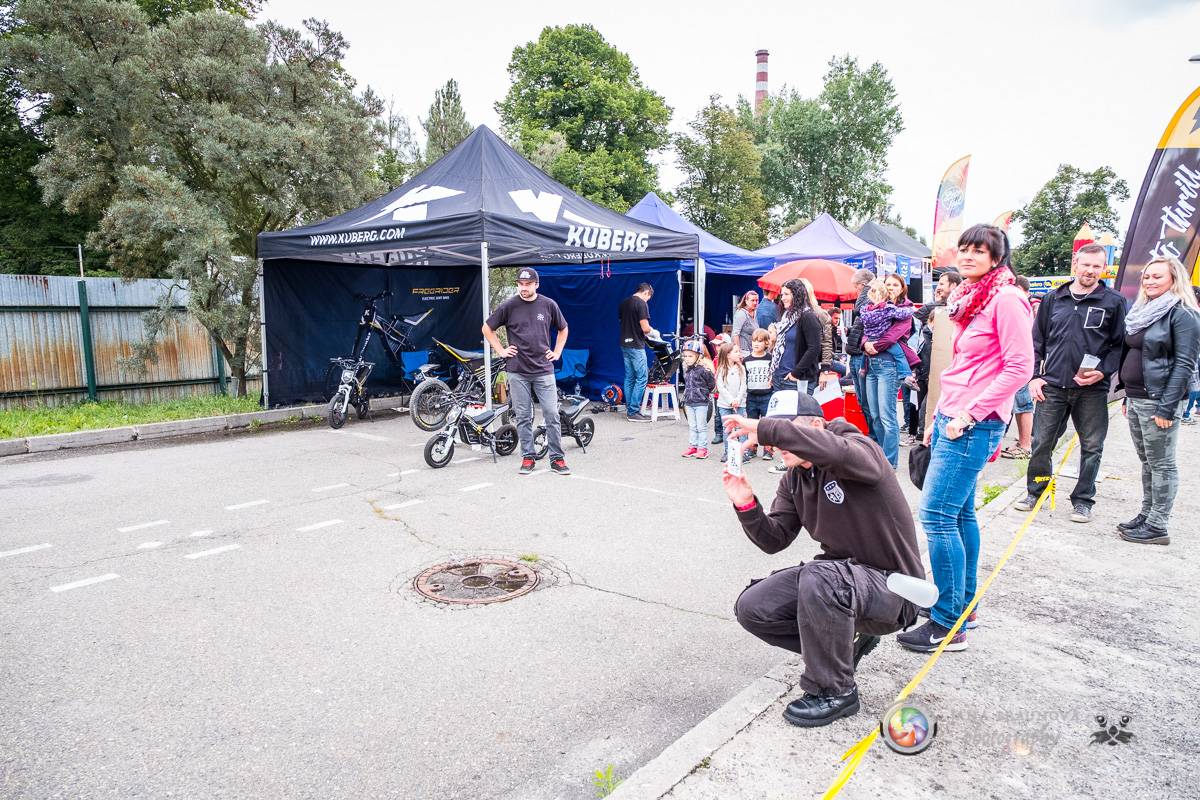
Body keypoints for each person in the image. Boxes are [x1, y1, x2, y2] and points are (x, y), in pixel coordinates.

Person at [722, 391, 923, 726]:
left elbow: (835, 450)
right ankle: (840, 650)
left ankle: (835, 690)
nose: (777, 443)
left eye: (787, 430)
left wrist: (766, 427)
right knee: (753, 607)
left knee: (821, 575)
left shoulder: (858, 450)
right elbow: (775, 539)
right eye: (773, 433)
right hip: (844, 584)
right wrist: (746, 504)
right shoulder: (794, 479)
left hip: (896, 590)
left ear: (817, 425)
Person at [897, 224, 1033, 653]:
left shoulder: (1007, 299)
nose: (970, 256)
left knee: (936, 515)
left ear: (997, 256)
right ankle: (960, 604)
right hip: (954, 415)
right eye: (965, 249)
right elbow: (963, 366)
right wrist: (938, 413)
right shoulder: (972, 298)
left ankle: (948, 622)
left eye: (980, 250)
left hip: (974, 421)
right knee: (959, 515)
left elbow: (1018, 369)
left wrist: (968, 415)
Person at [1015, 244, 1127, 521]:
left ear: (1103, 268)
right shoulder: (1054, 298)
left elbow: (1120, 346)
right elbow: (1036, 342)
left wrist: (1103, 371)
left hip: (1092, 390)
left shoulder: (1113, 301)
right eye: (1085, 264)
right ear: (1075, 263)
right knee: (1041, 443)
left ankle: (1083, 499)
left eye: (1096, 266)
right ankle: (1036, 489)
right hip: (1051, 386)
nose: (1090, 271)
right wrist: (1034, 378)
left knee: (1092, 445)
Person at [1114, 256, 1200, 545]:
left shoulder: (1183, 314)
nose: (1149, 281)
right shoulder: (1145, 311)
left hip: (1159, 401)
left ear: (1174, 279)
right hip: (1138, 397)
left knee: (1162, 463)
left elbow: (1185, 364)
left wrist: (1167, 406)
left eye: (1157, 277)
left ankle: (1158, 525)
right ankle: (1147, 514)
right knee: (1147, 461)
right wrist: (1127, 392)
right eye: (1146, 277)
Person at [482, 267, 571, 476]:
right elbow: (487, 328)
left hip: (543, 370)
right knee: (523, 416)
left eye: (528, 284)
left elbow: (563, 328)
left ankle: (557, 459)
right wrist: (501, 350)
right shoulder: (509, 305)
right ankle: (528, 457)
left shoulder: (548, 305)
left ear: (536, 285)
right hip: (517, 370)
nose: (524, 288)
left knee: (551, 414)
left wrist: (557, 352)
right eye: (521, 284)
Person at [861, 273, 918, 469]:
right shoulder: (873, 307)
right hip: (871, 365)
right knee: (875, 414)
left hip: (889, 365)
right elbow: (864, 330)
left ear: (902, 289)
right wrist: (865, 343)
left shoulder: (903, 311)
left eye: (895, 284)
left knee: (887, 415)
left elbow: (893, 336)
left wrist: (873, 345)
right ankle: (880, 456)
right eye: (888, 284)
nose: (891, 287)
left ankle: (889, 462)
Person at [768, 280, 822, 473]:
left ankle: (799, 459)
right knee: (783, 419)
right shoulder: (786, 316)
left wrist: (795, 373)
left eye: (787, 294)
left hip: (798, 377)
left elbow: (814, 348)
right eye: (782, 294)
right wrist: (773, 372)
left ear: (797, 295)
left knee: (797, 421)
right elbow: (780, 348)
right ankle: (791, 458)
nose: (782, 298)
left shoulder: (808, 317)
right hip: (781, 374)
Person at [1001, 275, 1037, 460]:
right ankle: (1023, 443)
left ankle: (1025, 445)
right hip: (1017, 361)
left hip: (1018, 362)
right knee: (1019, 404)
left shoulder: (1019, 305)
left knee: (1023, 404)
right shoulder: (1023, 305)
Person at [844, 269, 876, 435]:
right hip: (856, 353)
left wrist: (867, 289)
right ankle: (872, 436)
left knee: (867, 402)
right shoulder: (865, 302)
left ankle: (874, 437)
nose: (855, 292)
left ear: (863, 286)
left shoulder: (869, 297)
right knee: (862, 401)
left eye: (856, 288)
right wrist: (850, 330)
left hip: (863, 356)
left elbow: (861, 310)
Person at [618, 283, 655, 423]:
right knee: (642, 377)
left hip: (624, 344)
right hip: (636, 345)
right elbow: (645, 328)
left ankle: (629, 408)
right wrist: (653, 332)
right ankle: (633, 411)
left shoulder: (624, 303)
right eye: (648, 298)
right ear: (646, 293)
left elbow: (621, 321)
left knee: (630, 377)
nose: (647, 301)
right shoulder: (641, 304)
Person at [680, 340, 716, 459]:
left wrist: (703, 393)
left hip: (701, 402)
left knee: (701, 427)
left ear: (699, 356)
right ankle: (693, 446)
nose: (687, 358)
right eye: (685, 356)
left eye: (690, 356)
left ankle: (702, 449)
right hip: (689, 403)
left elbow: (711, 384)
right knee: (692, 426)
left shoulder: (704, 370)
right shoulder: (687, 370)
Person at [743, 328, 774, 459]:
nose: (756, 344)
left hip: (767, 395)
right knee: (752, 424)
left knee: (767, 424)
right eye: (754, 341)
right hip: (751, 396)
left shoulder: (770, 359)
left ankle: (768, 450)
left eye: (760, 341)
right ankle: (752, 448)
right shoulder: (746, 360)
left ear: (767, 343)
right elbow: (744, 377)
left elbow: (774, 374)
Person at [715, 342, 747, 462]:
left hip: (740, 404)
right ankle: (728, 452)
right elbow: (721, 387)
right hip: (724, 404)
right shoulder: (721, 369)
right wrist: (731, 401)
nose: (739, 354)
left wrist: (738, 399)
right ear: (728, 355)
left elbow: (743, 385)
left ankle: (743, 452)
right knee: (727, 429)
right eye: (736, 352)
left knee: (741, 428)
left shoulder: (741, 368)